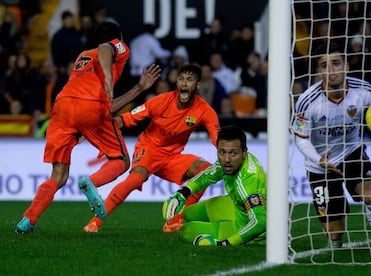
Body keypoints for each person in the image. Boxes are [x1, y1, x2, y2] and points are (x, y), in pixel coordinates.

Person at [15, 21, 161, 233]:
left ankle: (28, 220)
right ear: (117, 39)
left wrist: (139, 88)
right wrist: (109, 81)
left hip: (63, 106)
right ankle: (91, 182)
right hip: (89, 107)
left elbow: (107, 107)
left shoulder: (83, 56)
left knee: (58, 175)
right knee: (121, 160)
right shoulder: (117, 47)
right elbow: (105, 48)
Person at [291, 41, 371, 256]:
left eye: (336, 63)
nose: (331, 71)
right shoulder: (307, 101)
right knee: (334, 235)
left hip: (351, 151)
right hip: (320, 164)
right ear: (319, 71)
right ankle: (337, 223)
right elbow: (301, 139)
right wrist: (319, 159)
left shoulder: (365, 91)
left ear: (346, 66)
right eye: (324, 65)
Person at [83, 64, 220, 233]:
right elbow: (127, 119)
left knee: (206, 170)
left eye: (190, 80)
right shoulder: (161, 101)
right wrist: (97, 129)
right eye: (181, 79)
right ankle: (95, 223)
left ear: (197, 85)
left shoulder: (205, 110)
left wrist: (228, 152)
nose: (184, 84)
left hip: (172, 157)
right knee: (134, 180)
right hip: (148, 149)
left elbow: (217, 139)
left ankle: (176, 221)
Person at [162, 125, 266, 246]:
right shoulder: (231, 162)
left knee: (185, 232)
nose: (226, 159)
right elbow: (207, 176)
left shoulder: (249, 182)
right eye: (222, 152)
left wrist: (227, 243)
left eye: (233, 153)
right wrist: (183, 192)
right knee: (189, 213)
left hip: (245, 227)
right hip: (236, 206)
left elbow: (260, 223)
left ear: (244, 152)